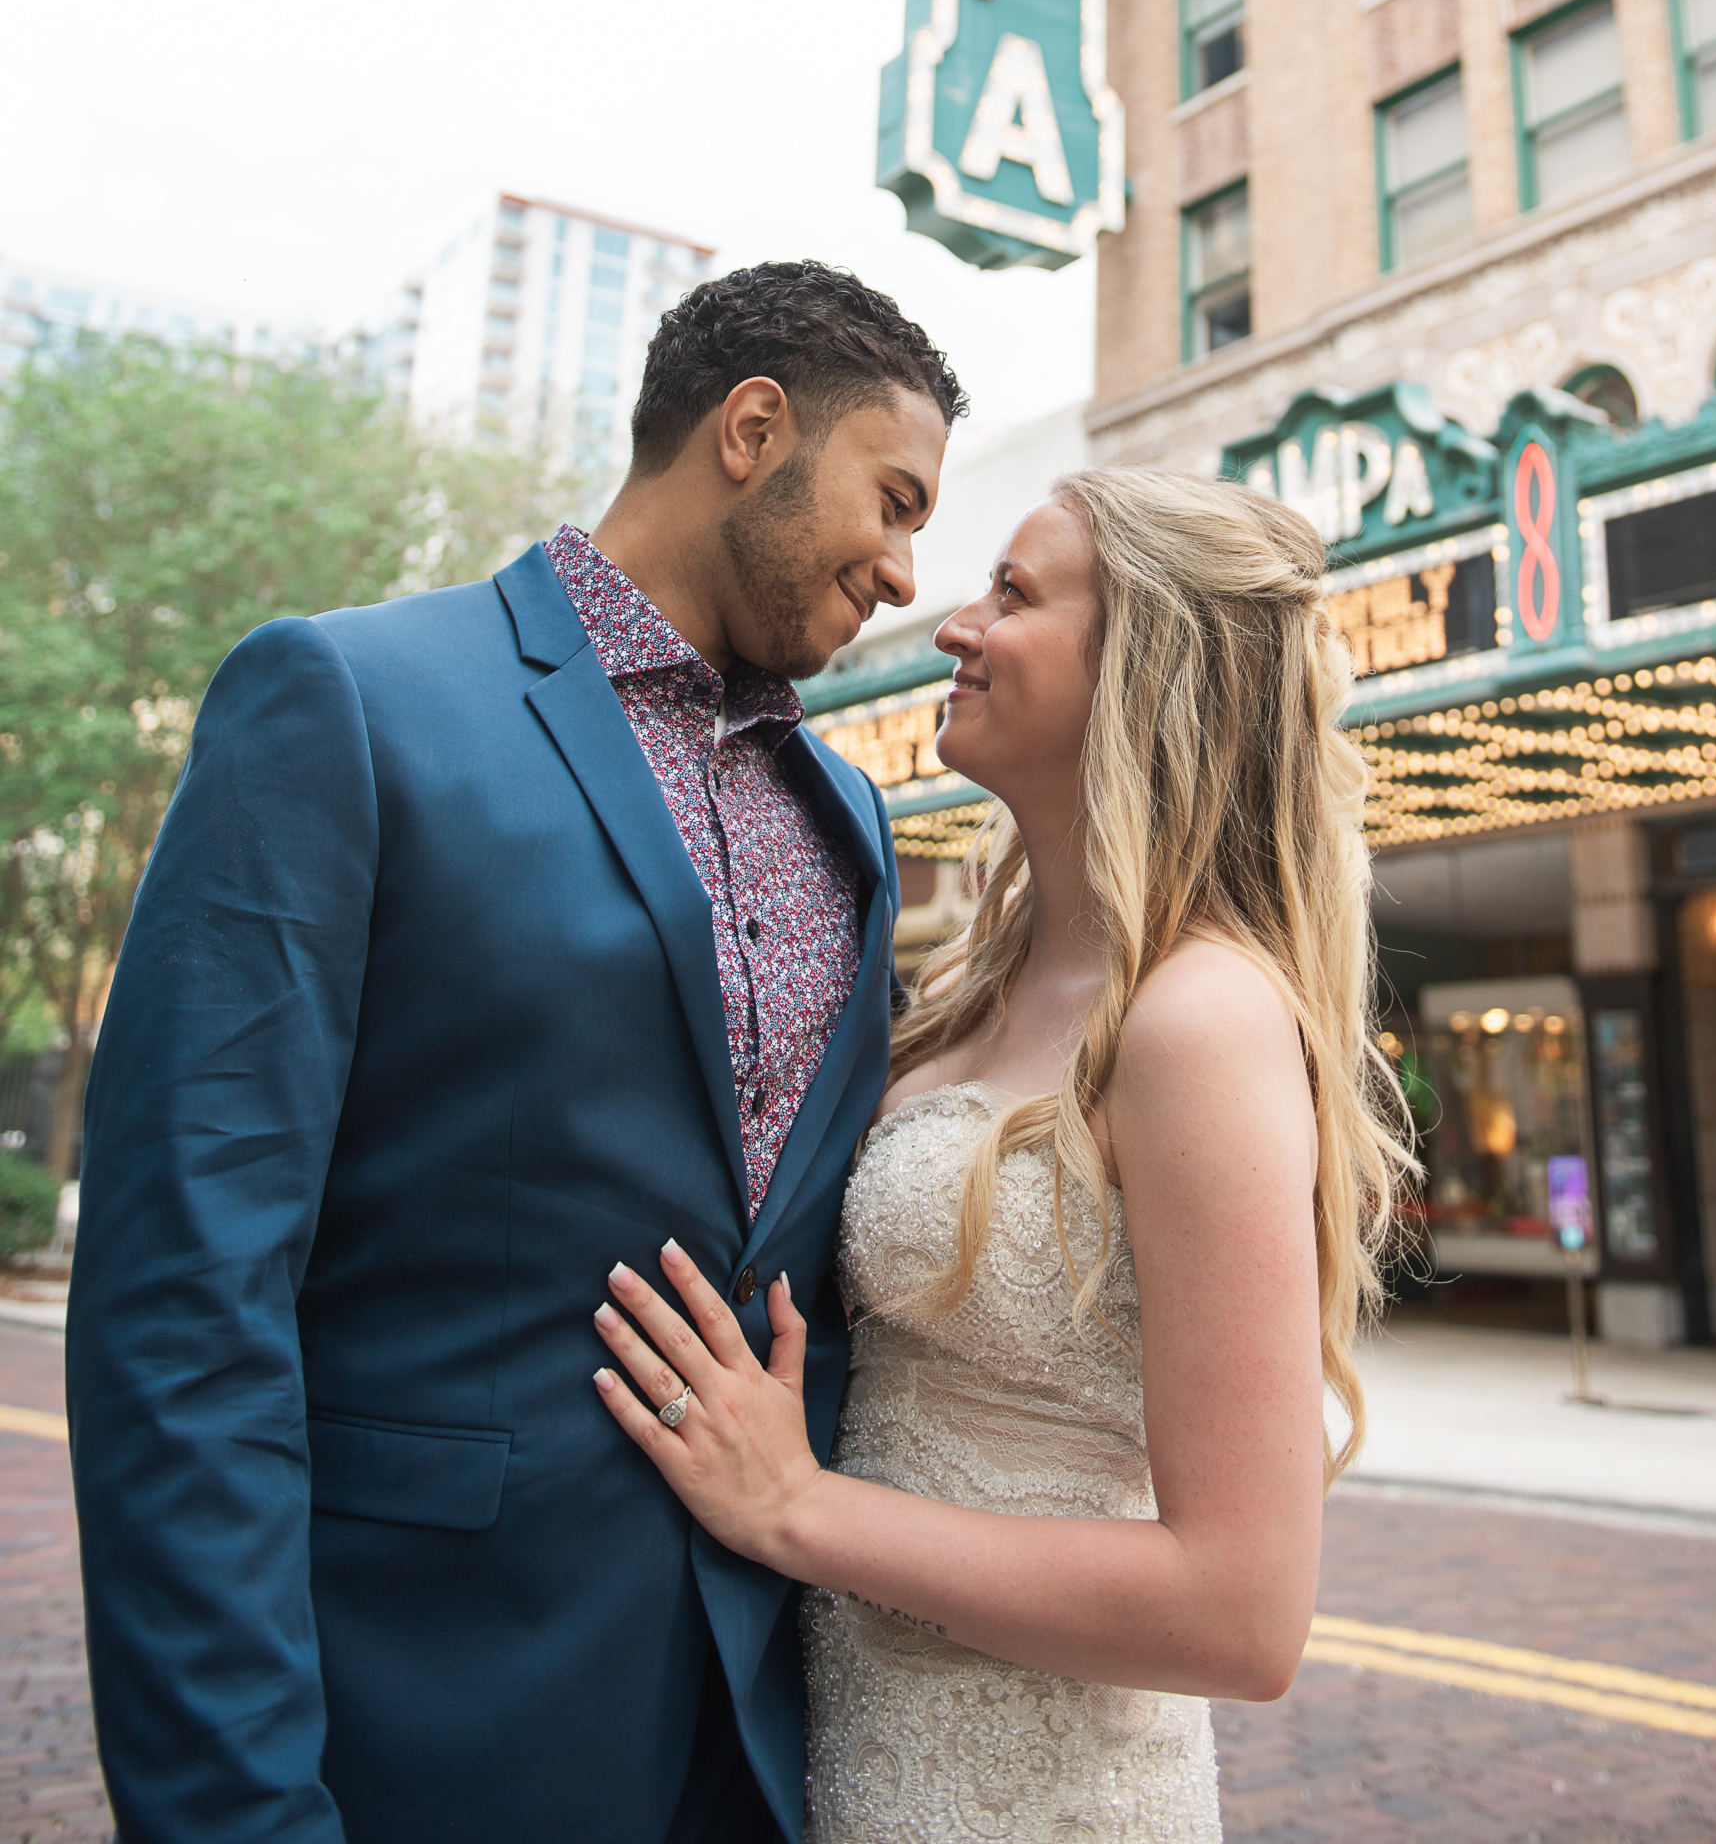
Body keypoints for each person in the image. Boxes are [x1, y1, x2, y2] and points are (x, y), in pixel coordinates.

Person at [67, 260, 967, 1844]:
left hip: (756, 1744)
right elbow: (183, 1303)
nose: (903, 572)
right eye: (890, 501)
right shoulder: (344, 699)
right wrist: (232, 1809)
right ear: (753, 429)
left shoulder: (854, 820)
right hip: (420, 1721)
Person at [592, 467, 1415, 1844]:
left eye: (1015, 594)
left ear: (1148, 664)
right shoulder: (983, 976)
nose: (951, 624)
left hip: (1047, 1799)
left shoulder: (1199, 1019)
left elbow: (1241, 1614)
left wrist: (797, 1509)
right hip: (866, 1758)